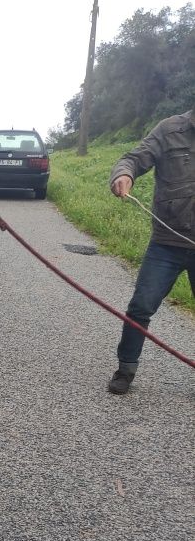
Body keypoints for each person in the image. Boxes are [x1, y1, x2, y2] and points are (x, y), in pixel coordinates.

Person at [107, 107, 195, 394]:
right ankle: (125, 369)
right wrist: (124, 175)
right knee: (140, 307)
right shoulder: (169, 129)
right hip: (165, 245)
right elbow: (132, 159)